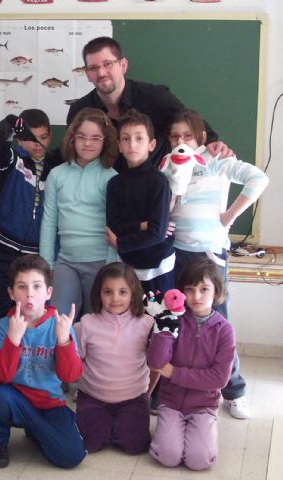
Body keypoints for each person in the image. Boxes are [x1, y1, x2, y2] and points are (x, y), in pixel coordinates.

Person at [167, 108, 269, 420]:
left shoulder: (217, 161)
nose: (180, 140)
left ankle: (234, 390)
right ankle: (173, 386)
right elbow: (166, 203)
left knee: (219, 321)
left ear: (201, 137)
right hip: (176, 254)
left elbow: (258, 178)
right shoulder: (167, 164)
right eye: (174, 136)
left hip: (210, 253)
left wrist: (230, 216)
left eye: (187, 135)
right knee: (174, 320)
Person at [0, 109, 61, 388]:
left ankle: (27, 376)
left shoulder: (57, 168)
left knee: (36, 316)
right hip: (6, 250)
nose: (38, 144)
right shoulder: (12, 161)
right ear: (21, 139)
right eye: (31, 138)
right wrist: (12, 123)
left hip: (40, 255)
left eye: (44, 137)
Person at [0, 254, 86, 469]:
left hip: (50, 403)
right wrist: (13, 340)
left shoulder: (61, 325)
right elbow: (2, 376)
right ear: (11, 292)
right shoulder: (3, 326)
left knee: (71, 457)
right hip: (15, 400)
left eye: (37, 286)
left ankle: (36, 429)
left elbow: (71, 376)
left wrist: (64, 340)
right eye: (22, 287)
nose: (29, 294)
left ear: (48, 292)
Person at [67, 36, 227, 171]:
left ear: (123, 65)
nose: (101, 73)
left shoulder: (156, 98)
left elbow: (193, 124)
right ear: (87, 74)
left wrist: (214, 144)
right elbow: (70, 153)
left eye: (107, 64)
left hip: (156, 188)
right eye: (93, 68)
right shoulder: (80, 111)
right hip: (104, 194)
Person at [147, 258, 235, 470]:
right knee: (168, 457)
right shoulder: (174, 319)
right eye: (190, 289)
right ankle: (173, 429)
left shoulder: (224, 330)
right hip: (171, 402)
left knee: (198, 461)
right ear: (181, 292)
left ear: (216, 292)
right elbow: (157, 362)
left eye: (204, 289)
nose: (196, 296)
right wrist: (164, 325)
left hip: (204, 405)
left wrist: (174, 372)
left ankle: (202, 429)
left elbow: (219, 378)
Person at [40, 107, 119, 317]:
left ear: (105, 141)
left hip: (101, 262)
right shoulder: (57, 175)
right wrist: (47, 265)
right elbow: (49, 222)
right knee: (58, 320)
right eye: (82, 137)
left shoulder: (112, 177)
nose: (88, 143)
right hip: (66, 262)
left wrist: (111, 266)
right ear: (72, 138)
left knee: (99, 323)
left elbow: (115, 225)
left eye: (95, 138)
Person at [73, 262, 154, 453]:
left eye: (123, 292)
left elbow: (157, 364)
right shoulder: (85, 324)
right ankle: (104, 424)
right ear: (98, 294)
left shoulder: (147, 324)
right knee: (89, 444)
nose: (115, 298)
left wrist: (147, 394)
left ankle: (117, 425)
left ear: (133, 293)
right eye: (108, 292)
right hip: (93, 398)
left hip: (133, 399)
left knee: (135, 446)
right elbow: (75, 364)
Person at [105, 109, 175, 296]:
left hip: (159, 264)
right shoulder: (114, 184)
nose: (132, 144)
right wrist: (142, 225)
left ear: (151, 144)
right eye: (126, 139)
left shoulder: (159, 182)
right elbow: (113, 227)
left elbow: (157, 234)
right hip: (129, 266)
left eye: (139, 138)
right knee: (131, 320)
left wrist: (121, 243)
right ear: (119, 145)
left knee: (159, 319)